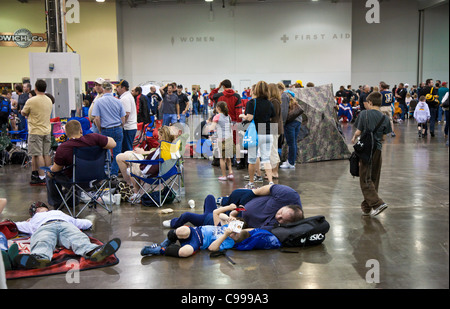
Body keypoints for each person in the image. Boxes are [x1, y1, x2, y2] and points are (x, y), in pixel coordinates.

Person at [10, 202, 120, 269]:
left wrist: (88, 223)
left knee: (77, 237)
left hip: (65, 224)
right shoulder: (32, 221)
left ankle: (94, 251)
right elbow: (13, 225)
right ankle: (39, 258)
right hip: (45, 227)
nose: (38, 209)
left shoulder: (58, 212)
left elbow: (83, 223)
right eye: (36, 209)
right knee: (42, 240)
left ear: (46, 208)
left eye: (40, 207)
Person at [45, 120, 116, 208]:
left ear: (66, 133)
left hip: (76, 181)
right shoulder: (94, 138)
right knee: (77, 172)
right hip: (97, 179)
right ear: (81, 130)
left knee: (49, 173)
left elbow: (56, 170)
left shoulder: (63, 148)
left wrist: (50, 171)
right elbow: (113, 144)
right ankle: (72, 200)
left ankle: (58, 203)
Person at [351, 92, 392, 217]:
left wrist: (354, 138)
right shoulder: (385, 118)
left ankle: (377, 203)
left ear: (370, 103)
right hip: (378, 150)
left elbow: (358, 131)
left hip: (366, 150)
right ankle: (367, 208)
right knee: (374, 177)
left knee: (365, 178)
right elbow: (384, 137)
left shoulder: (364, 114)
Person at [116, 126, 175, 202]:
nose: (158, 137)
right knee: (127, 153)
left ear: (162, 136)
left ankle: (133, 190)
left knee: (122, 159)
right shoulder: (169, 147)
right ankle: (131, 186)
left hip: (147, 171)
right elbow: (155, 155)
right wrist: (142, 152)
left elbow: (153, 160)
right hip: (159, 170)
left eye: (159, 135)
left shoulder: (163, 148)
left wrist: (142, 153)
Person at [240, 81, 275, 188]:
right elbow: (272, 116)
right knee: (266, 159)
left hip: (255, 133)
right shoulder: (270, 103)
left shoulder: (252, 102)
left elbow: (250, 118)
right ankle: (270, 182)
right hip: (267, 132)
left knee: (251, 159)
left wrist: (243, 116)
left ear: (255, 90)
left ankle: (251, 182)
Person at [21, 79, 53, 186]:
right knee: (46, 154)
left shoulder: (31, 100)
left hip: (35, 131)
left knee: (38, 154)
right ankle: (48, 174)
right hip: (47, 130)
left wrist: (23, 112)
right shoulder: (49, 100)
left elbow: (24, 112)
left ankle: (41, 177)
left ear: (35, 88)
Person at [92, 81, 126, 176]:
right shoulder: (118, 101)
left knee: (105, 152)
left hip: (105, 129)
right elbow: (123, 118)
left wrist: (99, 129)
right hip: (117, 128)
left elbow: (97, 118)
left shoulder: (98, 101)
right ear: (111, 89)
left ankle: (105, 173)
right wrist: (121, 126)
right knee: (117, 153)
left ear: (102, 89)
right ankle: (114, 174)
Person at [209, 79, 244, 169]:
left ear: (223, 86)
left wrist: (217, 88)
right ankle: (238, 162)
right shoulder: (237, 96)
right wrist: (238, 122)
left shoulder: (219, 96)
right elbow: (238, 110)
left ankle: (226, 163)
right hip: (234, 122)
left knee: (223, 143)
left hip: (222, 123)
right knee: (236, 142)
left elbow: (210, 96)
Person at [207, 101, 234, 181]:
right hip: (228, 137)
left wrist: (208, 125)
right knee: (228, 156)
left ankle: (224, 175)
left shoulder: (217, 116)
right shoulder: (228, 116)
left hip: (221, 139)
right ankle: (230, 173)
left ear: (218, 108)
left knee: (221, 158)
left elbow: (212, 128)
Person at [280, 91, 302, 169]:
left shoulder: (285, 99)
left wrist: (282, 123)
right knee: (294, 143)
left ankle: (291, 162)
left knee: (291, 143)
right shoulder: (295, 103)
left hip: (290, 123)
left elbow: (284, 112)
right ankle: (292, 160)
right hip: (298, 122)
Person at [116, 79, 137, 152]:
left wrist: (122, 125)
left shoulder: (125, 98)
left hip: (127, 128)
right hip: (130, 127)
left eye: (118, 87)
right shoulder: (127, 96)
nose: (116, 89)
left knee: (127, 150)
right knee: (128, 149)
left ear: (123, 88)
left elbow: (126, 114)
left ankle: (129, 163)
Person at [267, 83, 283, 179]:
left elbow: (274, 116)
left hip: (274, 127)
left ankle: (275, 171)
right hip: (273, 127)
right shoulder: (273, 101)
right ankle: (272, 170)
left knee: (273, 150)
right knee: (272, 150)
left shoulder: (274, 102)